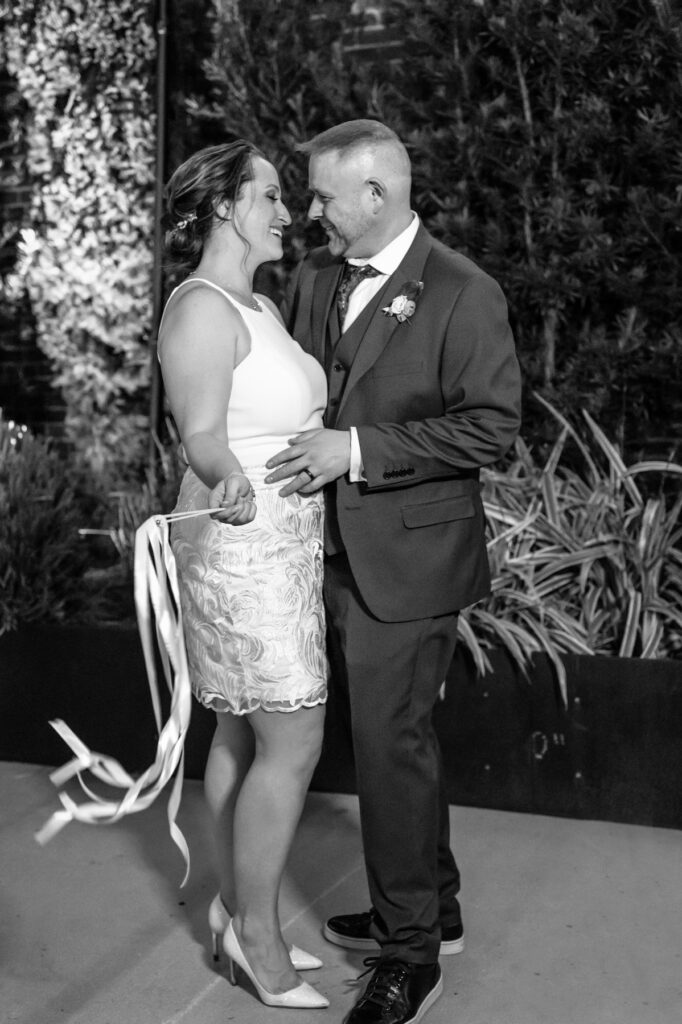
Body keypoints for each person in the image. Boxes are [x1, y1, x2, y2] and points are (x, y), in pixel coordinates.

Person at [265, 120, 522, 1024]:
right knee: (398, 742)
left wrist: (361, 449)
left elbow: (492, 426)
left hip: (410, 561)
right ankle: (434, 907)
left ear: (376, 195)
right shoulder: (312, 278)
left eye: (324, 197)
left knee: (387, 747)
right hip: (320, 555)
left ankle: (410, 956)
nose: (310, 212)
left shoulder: (463, 291)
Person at [158, 141, 330, 1010]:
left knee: (240, 733)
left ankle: (235, 911)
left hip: (288, 546)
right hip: (242, 536)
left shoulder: (257, 304)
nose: (287, 212)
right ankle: (257, 934)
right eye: (268, 195)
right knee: (291, 739)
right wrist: (225, 476)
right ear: (226, 204)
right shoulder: (198, 308)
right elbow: (200, 431)